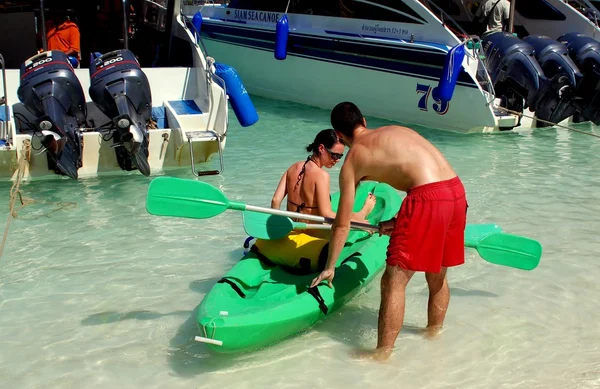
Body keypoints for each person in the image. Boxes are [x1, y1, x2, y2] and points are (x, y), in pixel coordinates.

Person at [310, 102, 468, 361]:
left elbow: (341, 223)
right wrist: (399, 219)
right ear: (363, 120)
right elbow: (421, 173)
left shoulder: (352, 160)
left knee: (393, 281)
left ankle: (382, 355)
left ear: (338, 135)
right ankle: (434, 334)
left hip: (427, 199)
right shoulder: (396, 130)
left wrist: (330, 266)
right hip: (455, 190)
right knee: (437, 271)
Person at [271, 128, 376, 229]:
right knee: (350, 217)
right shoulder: (322, 175)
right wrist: (357, 221)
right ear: (321, 148)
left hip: (292, 230)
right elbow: (326, 214)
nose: (337, 160)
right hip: (313, 236)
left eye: (340, 156)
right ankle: (363, 212)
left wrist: (275, 227)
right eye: (335, 155)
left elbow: (275, 201)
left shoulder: (292, 167)